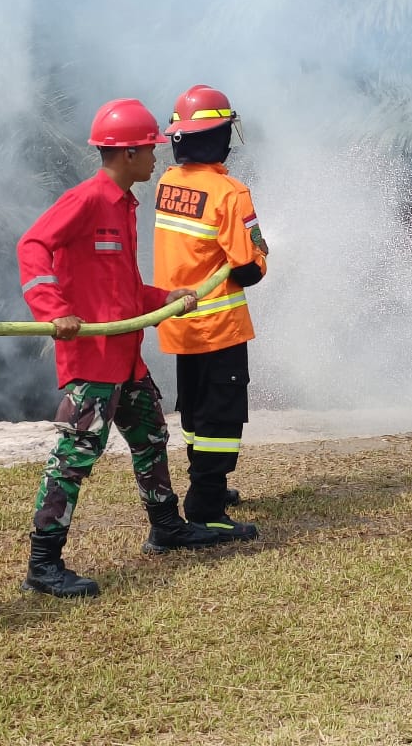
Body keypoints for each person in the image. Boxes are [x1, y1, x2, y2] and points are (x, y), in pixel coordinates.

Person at [17, 97, 220, 601]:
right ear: (127, 154)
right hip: (92, 363)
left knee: (151, 437)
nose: (158, 157)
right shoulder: (88, 199)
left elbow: (120, 289)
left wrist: (163, 298)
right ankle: (43, 565)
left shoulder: (124, 205)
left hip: (125, 358)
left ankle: (166, 527)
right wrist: (51, 309)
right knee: (74, 457)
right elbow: (32, 246)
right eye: (150, 149)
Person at [153, 85, 268, 542]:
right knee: (221, 418)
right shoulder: (230, 192)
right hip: (219, 325)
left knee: (197, 413)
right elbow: (249, 267)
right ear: (220, 136)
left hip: (180, 323)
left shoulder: (167, 184)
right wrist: (260, 256)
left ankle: (208, 483)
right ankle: (206, 509)